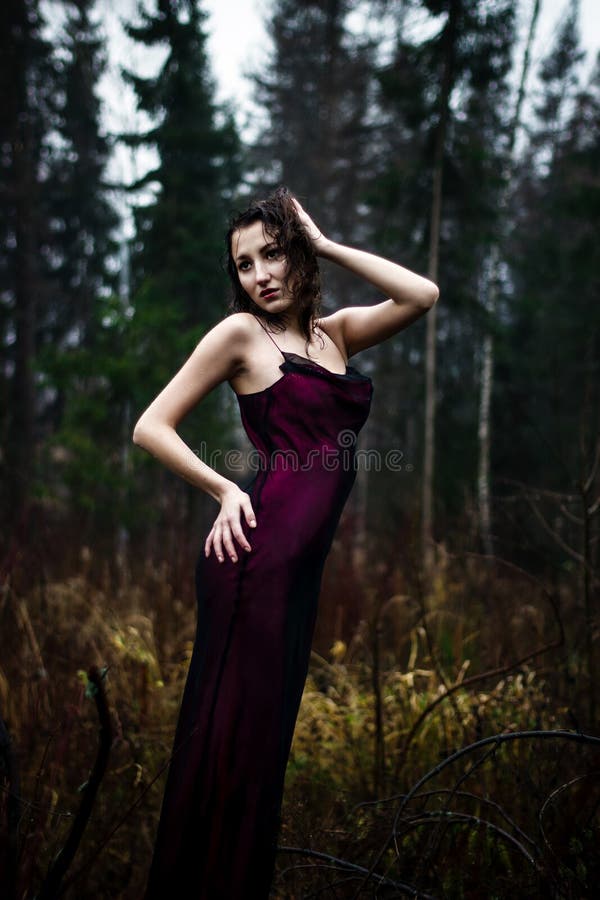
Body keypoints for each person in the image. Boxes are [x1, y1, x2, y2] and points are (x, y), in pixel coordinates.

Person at [132, 186, 438, 899]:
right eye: (244, 264)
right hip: (252, 563)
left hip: (298, 577)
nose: (260, 274)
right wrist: (226, 489)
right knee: (229, 745)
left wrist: (327, 243)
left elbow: (421, 294)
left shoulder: (336, 335)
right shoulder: (240, 336)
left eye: (273, 253)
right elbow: (151, 426)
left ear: (297, 251)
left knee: (262, 750)